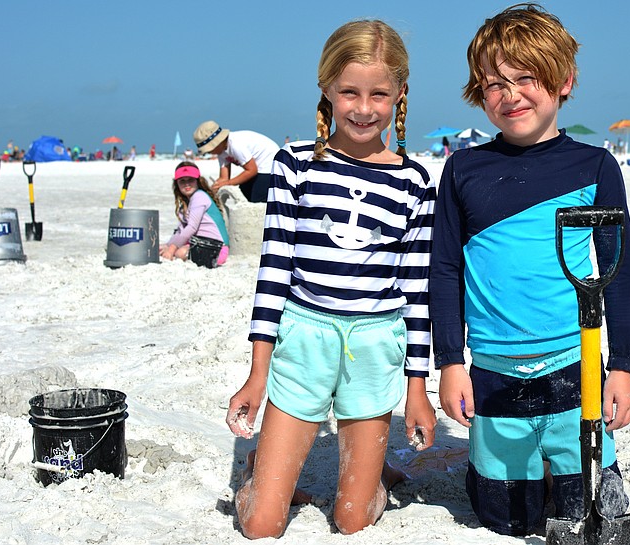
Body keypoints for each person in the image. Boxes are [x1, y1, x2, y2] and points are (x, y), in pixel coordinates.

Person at [430, 4, 630, 536]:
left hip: (575, 359)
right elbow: (445, 270)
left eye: (526, 78)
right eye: (494, 84)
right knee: (504, 518)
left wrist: (624, 366)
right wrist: (450, 362)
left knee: (582, 504)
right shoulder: (463, 169)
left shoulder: (595, 166)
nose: (511, 95)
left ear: (564, 81)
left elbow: (618, 270)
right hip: (494, 365)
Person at [225, 19, 437, 539]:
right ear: (326, 88)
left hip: (374, 346)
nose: (363, 108)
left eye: (378, 94)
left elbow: (416, 292)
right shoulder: (293, 165)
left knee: (351, 519)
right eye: (349, 92)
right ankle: (259, 473)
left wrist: (416, 387)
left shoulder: (414, 182)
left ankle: (374, 477)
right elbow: (273, 273)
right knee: (261, 525)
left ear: (400, 93)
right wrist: (257, 374)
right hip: (304, 341)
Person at [159, 161, 229, 267]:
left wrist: (172, 249)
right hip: (198, 242)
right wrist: (168, 245)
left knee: (180, 253)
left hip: (217, 247)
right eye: (182, 181)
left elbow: (192, 227)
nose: (187, 184)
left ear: (198, 181)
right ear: (177, 184)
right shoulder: (186, 203)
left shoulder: (199, 196)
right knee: (164, 248)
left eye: (190, 180)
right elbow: (181, 231)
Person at [192, 120, 280, 203]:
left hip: (271, 164)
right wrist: (215, 187)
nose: (209, 152)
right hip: (258, 167)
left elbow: (252, 170)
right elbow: (224, 178)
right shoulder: (221, 151)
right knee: (244, 190)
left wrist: (228, 183)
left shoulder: (235, 145)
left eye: (209, 150)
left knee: (257, 198)